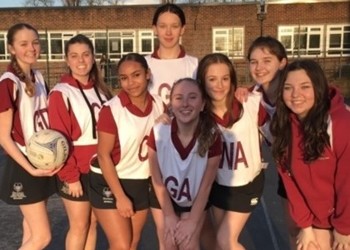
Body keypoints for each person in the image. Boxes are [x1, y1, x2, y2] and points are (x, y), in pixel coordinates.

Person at [270, 59, 350, 250]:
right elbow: (290, 182)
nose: (296, 95)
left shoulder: (341, 123)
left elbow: (347, 182)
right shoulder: (283, 127)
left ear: (318, 87)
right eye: (288, 88)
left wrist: (344, 228)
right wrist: (305, 226)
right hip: (316, 219)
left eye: (305, 87)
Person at [89, 53, 165, 250]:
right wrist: (120, 197)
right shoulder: (111, 110)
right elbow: (104, 155)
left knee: (132, 243)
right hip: (108, 180)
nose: (130, 83)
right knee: (121, 245)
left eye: (136, 75)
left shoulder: (159, 105)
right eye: (124, 78)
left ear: (147, 74)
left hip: (139, 179)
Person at [196, 53, 269, 250]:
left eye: (225, 78)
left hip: (247, 183)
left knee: (225, 241)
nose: (219, 85)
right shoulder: (199, 113)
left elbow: (274, 133)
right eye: (212, 79)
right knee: (222, 243)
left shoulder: (250, 103)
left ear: (232, 80)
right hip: (219, 183)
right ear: (202, 81)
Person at [47, 34, 112, 250]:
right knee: (79, 225)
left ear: (93, 58)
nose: (81, 60)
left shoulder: (102, 91)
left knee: (93, 223)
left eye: (85, 54)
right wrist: (70, 177)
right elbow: (59, 140)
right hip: (76, 170)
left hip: (99, 168)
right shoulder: (60, 93)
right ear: (67, 60)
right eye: (74, 56)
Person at [0, 23, 58, 249]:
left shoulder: (39, 77)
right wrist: (30, 169)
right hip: (24, 164)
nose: (31, 48)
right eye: (23, 43)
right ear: (12, 48)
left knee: (30, 229)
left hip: (40, 160)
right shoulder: (8, 82)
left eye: (35, 42)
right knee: (43, 237)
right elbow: (3, 137)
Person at [148, 77, 222, 250]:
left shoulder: (212, 135)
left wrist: (193, 221)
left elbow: (206, 185)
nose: (185, 103)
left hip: (194, 199)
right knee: (168, 243)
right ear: (171, 103)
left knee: (188, 243)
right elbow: (157, 179)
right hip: (164, 195)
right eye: (179, 98)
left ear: (203, 104)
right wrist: (169, 215)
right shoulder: (159, 131)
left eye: (193, 97)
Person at [146, 3, 198, 105]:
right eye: (162, 26)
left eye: (174, 26)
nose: (168, 32)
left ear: (182, 29)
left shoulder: (195, 65)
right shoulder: (143, 64)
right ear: (155, 29)